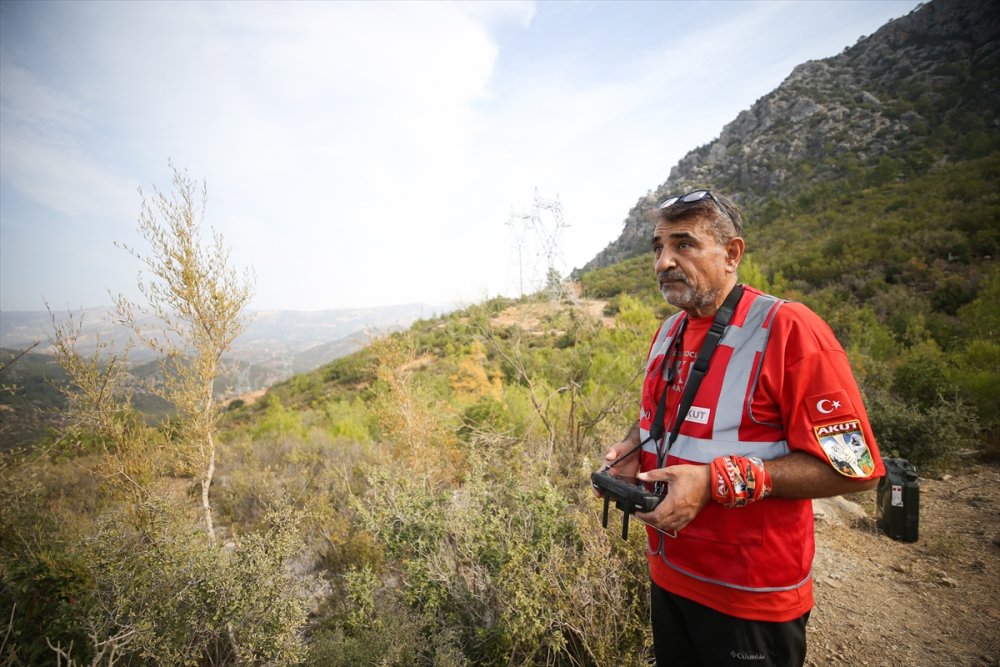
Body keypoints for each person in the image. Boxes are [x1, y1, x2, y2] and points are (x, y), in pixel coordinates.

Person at [597, 189, 884, 666]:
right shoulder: (670, 330)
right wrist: (632, 445)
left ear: (732, 254)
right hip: (668, 574)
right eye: (657, 247)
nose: (664, 262)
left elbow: (859, 470)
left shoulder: (790, 329)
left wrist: (714, 482)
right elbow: (661, 414)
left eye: (683, 244)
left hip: (749, 595)